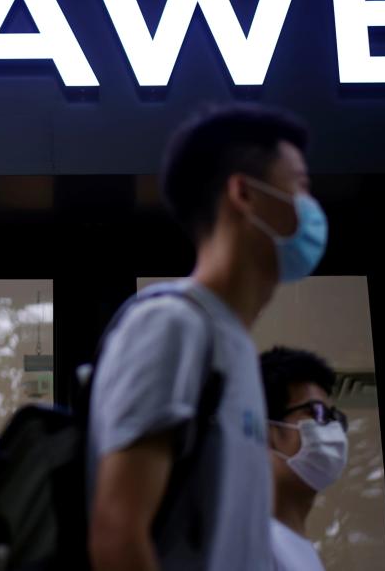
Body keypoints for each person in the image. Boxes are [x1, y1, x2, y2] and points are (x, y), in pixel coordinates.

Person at [87, 104, 328, 571]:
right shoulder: (172, 326)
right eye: (299, 188)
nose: (311, 209)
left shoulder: (232, 347)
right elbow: (118, 533)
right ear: (244, 193)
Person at [261, 347, 349, 571]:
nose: (333, 427)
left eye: (334, 417)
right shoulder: (252, 543)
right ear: (267, 431)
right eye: (317, 413)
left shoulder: (296, 547)